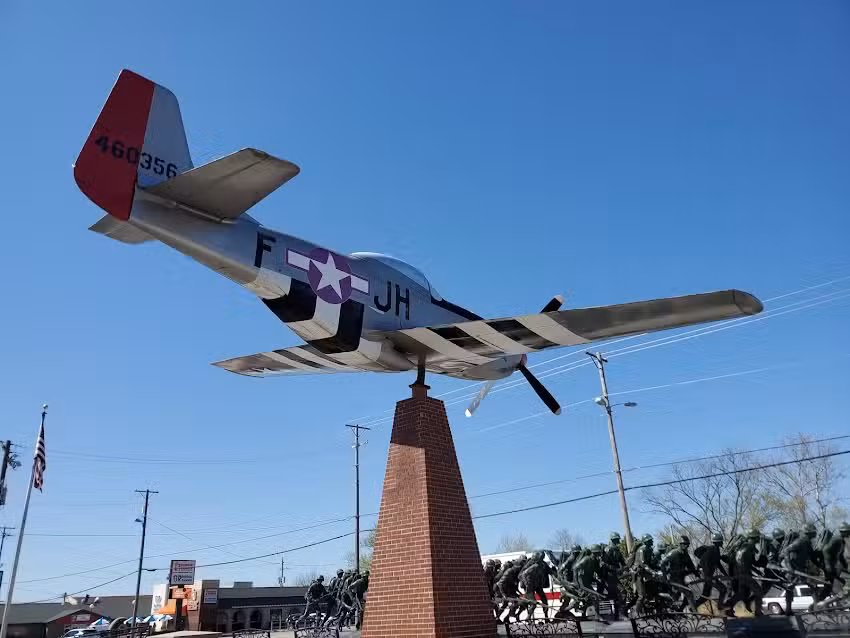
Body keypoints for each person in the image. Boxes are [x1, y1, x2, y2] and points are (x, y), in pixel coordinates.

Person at [726, 530, 764, 617]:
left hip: (739, 574)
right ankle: (758, 611)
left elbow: (747, 563)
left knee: (741, 593)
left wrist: (757, 572)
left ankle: (729, 608)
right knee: (759, 592)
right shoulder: (750, 547)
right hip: (745, 575)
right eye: (758, 537)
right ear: (755, 538)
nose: (759, 539)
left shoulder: (742, 547)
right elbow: (751, 563)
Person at [660, 536, 698, 612]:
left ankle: (679, 610)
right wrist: (664, 576)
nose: (687, 545)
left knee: (679, 596)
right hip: (673, 578)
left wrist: (696, 573)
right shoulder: (674, 553)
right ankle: (696, 613)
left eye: (688, 544)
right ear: (680, 544)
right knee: (689, 593)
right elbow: (663, 563)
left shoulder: (685, 554)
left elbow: (690, 565)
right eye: (685, 544)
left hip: (681, 578)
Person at [695, 533, 728, 611]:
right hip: (708, 576)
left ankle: (692, 607)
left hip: (708, 576)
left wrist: (725, 574)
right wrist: (709, 577)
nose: (722, 543)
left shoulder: (715, 550)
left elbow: (718, 563)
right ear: (718, 542)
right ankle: (720, 606)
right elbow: (707, 563)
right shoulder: (712, 551)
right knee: (723, 589)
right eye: (721, 541)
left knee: (705, 595)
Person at [821, 523, 850, 600]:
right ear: (841, 531)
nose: (848, 533)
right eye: (846, 531)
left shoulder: (846, 539)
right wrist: (828, 564)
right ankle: (820, 602)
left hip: (842, 564)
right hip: (835, 565)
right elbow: (825, 549)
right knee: (832, 585)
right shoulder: (836, 539)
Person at [519, 552, 551, 619]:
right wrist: (527, 584)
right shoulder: (531, 564)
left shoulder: (543, 564)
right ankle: (528, 617)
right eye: (540, 558)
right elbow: (521, 575)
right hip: (530, 586)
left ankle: (546, 617)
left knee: (544, 600)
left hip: (538, 584)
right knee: (532, 602)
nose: (541, 559)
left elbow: (550, 571)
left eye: (542, 558)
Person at [602, 533, 626, 618]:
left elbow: (622, 561)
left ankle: (617, 614)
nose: (618, 541)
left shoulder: (616, 549)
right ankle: (621, 613)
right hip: (609, 575)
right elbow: (603, 564)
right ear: (613, 540)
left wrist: (625, 567)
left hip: (615, 575)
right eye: (616, 539)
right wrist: (614, 569)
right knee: (622, 592)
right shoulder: (608, 549)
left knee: (616, 595)